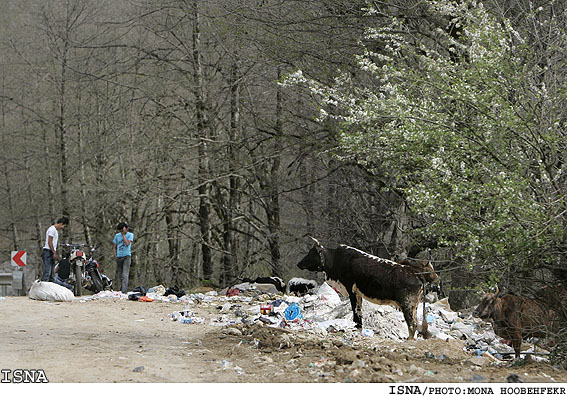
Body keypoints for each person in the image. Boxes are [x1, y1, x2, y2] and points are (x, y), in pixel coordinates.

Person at [41, 217, 69, 282]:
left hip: (51, 251)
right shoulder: (52, 229)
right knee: (47, 272)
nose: (62, 228)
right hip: (48, 251)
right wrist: (54, 252)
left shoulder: (55, 231)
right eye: (63, 226)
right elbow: (49, 242)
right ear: (61, 224)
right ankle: (42, 286)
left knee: (52, 274)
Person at [113, 222, 134, 293]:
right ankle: (121, 289)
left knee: (125, 274)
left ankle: (124, 291)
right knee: (120, 275)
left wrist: (123, 235)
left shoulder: (130, 235)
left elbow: (127, 243)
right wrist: (115, 256)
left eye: (122, 230)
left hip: (127, 256)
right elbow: (115, 247)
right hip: (119, 257)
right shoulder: (117, 236)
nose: (121, 231)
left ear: (126, 228)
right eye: (120, 230)